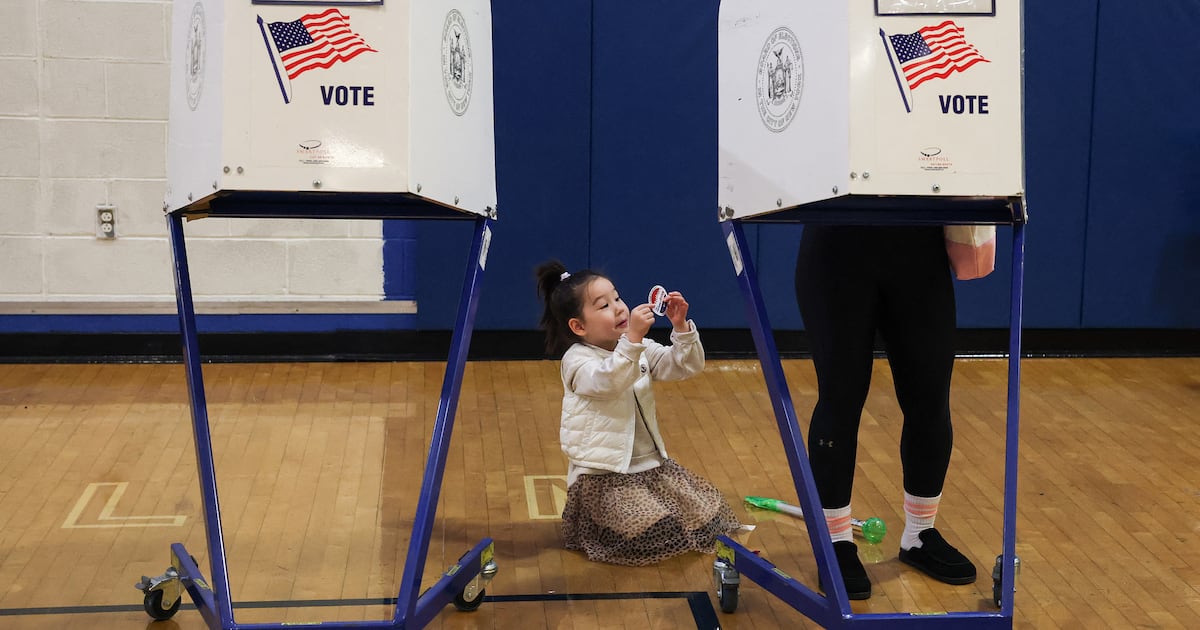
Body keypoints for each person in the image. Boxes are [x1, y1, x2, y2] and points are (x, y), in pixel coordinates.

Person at [794, 225, 978, 599]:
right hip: (837, 247)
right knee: (840, 399)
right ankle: (835, 541)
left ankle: (920, 534)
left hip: (919, 247)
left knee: (930, 398)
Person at [534, 260, 742, 566]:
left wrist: (681, 328)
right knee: (656, 530)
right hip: (605, 477)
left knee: (706, 518)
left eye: (617, 297)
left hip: (651, 467)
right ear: (579, 326)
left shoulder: (635, 346)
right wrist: (632, 341)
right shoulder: (577, 361)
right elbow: (610, 379)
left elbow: (684, 366)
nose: (619, 308)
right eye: (604, 305)